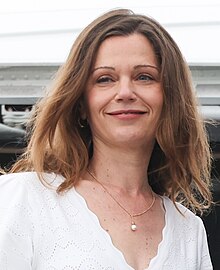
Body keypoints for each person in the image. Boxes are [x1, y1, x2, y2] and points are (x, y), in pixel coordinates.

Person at [0, 8, 213, 270]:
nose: (125, 92)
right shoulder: (23, 199)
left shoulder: (189, 231)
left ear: (170, 98)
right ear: (80, 103)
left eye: (144, 76)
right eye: (105, 79)